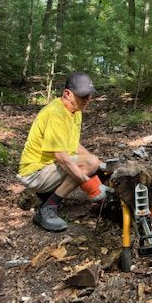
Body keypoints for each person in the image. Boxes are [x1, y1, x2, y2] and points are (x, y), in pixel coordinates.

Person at [18, 72, 112, 231]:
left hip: (49, 167)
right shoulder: (56, 113)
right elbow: (62, 158)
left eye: (89, 95)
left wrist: (100, 167)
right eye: (83, 96)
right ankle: (47, 209)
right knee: (89, 163)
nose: (87, 99)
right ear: (67, 94)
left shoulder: (75, 111)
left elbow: (73, 145)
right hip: (34, 173)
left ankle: (48, 195)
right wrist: (90, 185)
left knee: (92, 162)